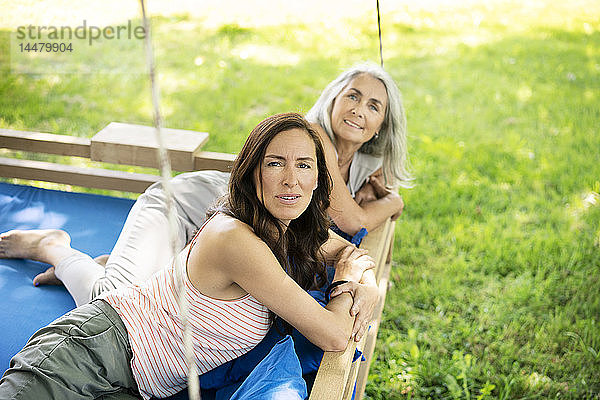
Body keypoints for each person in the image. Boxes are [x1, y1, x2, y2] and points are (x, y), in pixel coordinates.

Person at [0, 113, 377, 400]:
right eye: (275, 163)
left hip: (131, 385)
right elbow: (334, 334)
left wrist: (364, 280)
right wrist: (346, 280)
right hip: (84, 357)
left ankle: (65, 255)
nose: (291, 180)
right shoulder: (235, 239)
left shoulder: (285, 224)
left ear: (317, 178)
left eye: (304, 165)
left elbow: (346, 250)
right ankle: (55, 249)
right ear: (252, 173)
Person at [0, 62, 408, 316]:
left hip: (213, 241)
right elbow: (353, 219)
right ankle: (54, 246)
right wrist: (394, 201)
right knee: (110, 306)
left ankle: (113, 264)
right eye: (352, 95)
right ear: (333, 99)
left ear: (382, 125)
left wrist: (376, 198)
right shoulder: (313, 138)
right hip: (182, 209)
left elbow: (343, 217)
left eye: (374, 106)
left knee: (147, 296)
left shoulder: (359, 166)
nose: (359, 109)